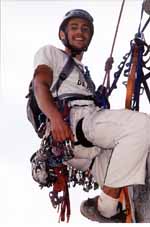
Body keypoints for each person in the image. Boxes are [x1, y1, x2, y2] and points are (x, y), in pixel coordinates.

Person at [32, 9, 150, 222]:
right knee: (141, 125)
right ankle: (105, 208)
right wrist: (56, 119)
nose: (80, 32)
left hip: (90, 147)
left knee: (137, 181)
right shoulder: (51, 53)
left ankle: (111, 206)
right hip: (76, 125)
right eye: (74, 27)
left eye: (85, 29)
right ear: (62, 34)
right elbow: (40, 84)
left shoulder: (83, 73)